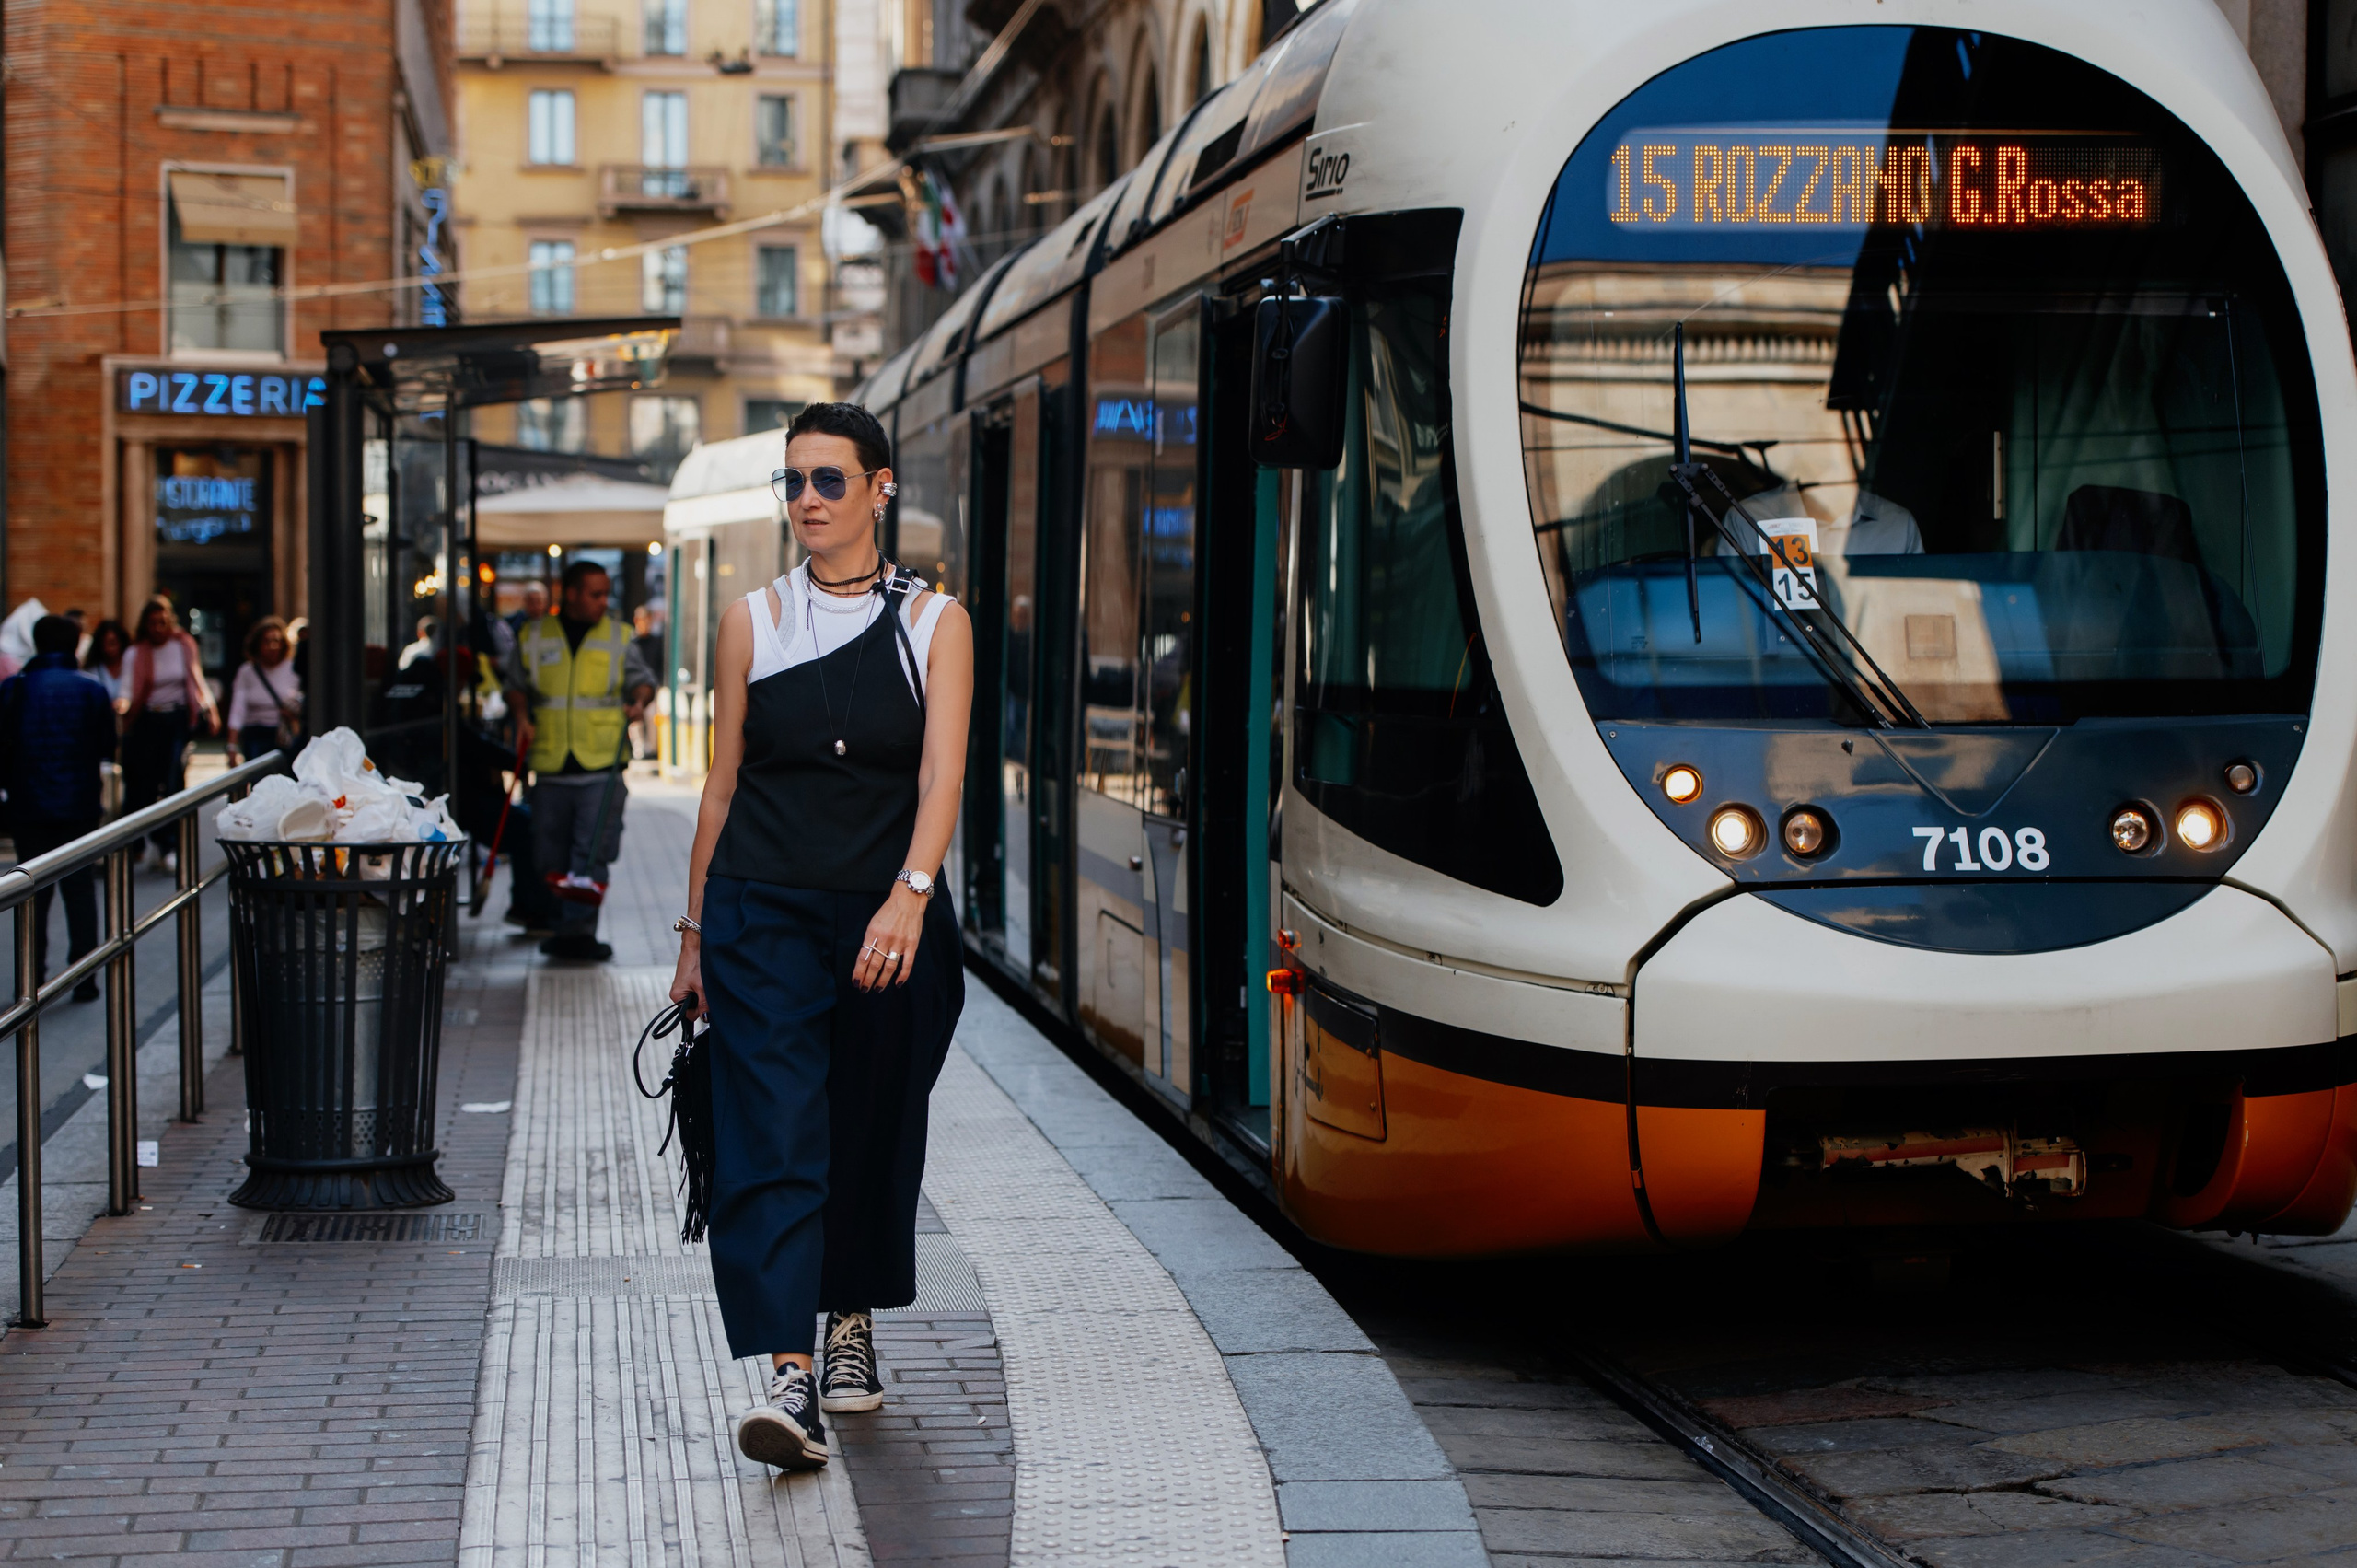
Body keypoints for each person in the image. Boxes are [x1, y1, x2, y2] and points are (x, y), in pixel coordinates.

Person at [668, 402, 974, 1472]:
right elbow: (721, 785)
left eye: (828, 480)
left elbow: (942, 774)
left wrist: (911, 892)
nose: (806, 499)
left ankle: (852, 1318)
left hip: (887, 920)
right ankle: (789, 1372)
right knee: (771, 1133)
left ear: (878, 488)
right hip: (762, 910)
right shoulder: (752, 618)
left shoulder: (937, 621)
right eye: (793, 481)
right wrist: (696, 929)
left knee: (870, 1125)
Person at [503, 560, 656, 962]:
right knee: (548, 856)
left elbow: (643, 682)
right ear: (570, 594)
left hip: (601, 766)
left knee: (590, 855)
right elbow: (515, 687)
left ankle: (577, 934)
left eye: (606, 593)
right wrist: (521, 717)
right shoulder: (533, 636)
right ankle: (562, 925)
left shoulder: (619, 636)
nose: (603, 602)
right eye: (595, 594)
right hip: (551, 765)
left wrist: (638, 703)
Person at [0, 616, 119, 1003]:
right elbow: (106, 745)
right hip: (79, 804)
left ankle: (30, 979)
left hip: (27, 804)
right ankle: (84, 977)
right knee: (80, 890)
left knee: (31, 891)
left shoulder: (14, 689)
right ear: (74, 645)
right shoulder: (91, 690)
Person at [122, 597, 218, 870]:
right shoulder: (136, 653)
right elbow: (128, 689)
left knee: (174, 780)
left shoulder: (183, 645)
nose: (158, 628)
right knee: (148, 784)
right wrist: (123, 706)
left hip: (176, 720)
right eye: (152, 623)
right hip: (147, 720)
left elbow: (195, 678)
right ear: (145, 625)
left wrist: (209, 708)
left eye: (162, 622)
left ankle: (170, 845)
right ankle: (151, 840)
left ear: (170, 622)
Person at [226, 616, 302, 767]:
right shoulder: (247, 672)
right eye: (267, 641)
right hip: (255, 736)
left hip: (283, 735)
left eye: (277, 641)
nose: (273, 646)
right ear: (257, 644)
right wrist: (232, 746)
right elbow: (237, 710)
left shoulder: (293, 670)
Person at [82, 619, 132, 705]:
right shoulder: (92, 671)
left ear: (121, 642)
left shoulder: (131, 665)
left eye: (112, 643)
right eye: (104, 644)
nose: (108, 649)